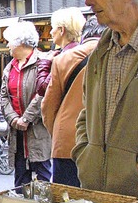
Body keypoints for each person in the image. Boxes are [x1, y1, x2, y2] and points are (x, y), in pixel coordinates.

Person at [73, 0, 138, 203]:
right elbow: (85, 112)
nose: (88, 2)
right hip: (100, 199)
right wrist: (85, 152)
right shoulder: (101, 52)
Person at [42, 16, 107, 187]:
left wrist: (56, 134)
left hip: (67, 142)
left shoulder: (63, 59)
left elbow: (48, 107)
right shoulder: (114, 54)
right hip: (104, 144)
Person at [0, 21, 52, 188]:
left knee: (43, 177)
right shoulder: (9, 68)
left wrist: (27, 118)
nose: (7, 45)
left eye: (10, 41)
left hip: (38, 131)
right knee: (20, 179)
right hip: (17, 134)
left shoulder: (43, 62)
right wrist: (14, 119)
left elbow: (43, 93)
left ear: (21, 42)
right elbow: (4, 97)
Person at [36, 7, 86, 96]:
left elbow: (43, 88)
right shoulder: (81, 52)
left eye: (53, 27)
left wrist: (45, 62)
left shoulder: (64, 57)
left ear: (62, 30)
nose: (51, 32)